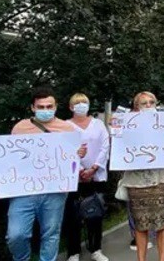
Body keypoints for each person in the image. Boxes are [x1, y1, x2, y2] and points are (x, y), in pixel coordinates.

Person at [0, 87, 87, 261]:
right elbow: (7, 159)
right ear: (33, 108)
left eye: (49, 106)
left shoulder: (68, 129)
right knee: (16, 235)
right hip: (23, 192)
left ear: (56, 106)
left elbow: (73, 161)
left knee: (51, 233)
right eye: (41, 107)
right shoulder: (20, 128)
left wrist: (79, 155)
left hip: (54, 191)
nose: (45, 110)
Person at [121, 91, 164, 261]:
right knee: (141, 225)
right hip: (136, 181)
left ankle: (162, 259)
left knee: (162, 222)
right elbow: (118, 148)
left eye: (151, 102)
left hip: (160, 179)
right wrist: (116, 127)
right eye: (143, 103)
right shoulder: (127, 125)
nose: (148, 106)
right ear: (136, 107)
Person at [63, 93, 110, 261]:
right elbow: (64, 149)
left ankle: (96, 249)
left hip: (96, 176)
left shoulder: (98, 124)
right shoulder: (65, 126)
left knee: (95, 213)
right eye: (77, 103)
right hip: (74, 177)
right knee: (73, 215)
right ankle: (73, 252)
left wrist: (94, 168)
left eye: (84, 102)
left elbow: (105, 146)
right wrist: (81, 170)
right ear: (70, 107)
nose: (81, 105)